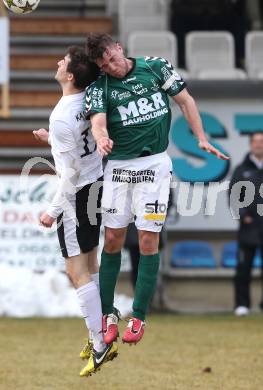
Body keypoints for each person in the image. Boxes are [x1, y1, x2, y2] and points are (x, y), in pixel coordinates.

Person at [84, 33, 229, 345]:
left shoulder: (155, 67)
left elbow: (185, 100)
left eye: (112, 58)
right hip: (119, 168)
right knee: (112, 238)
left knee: (148, 240)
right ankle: (108, 314)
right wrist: (101, 137)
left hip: (154, 167)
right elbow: (97, 121)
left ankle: (138, 316)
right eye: (104, 65)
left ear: (119, 48)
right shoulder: (100, 88)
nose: (111, 67)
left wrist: (201, 137)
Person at [33, 46, 117, 377]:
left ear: (69, 76)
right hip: (97, 184)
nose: (57, 62)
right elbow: (80, 140)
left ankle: (99, 342)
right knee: (91, 263)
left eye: (62, 62)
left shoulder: (61, 115)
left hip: (77, 194)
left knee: (75, 270)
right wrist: (51, 141)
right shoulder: (90, 99)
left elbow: (68, 175)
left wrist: (52, 211)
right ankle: (100, 329)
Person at [229, 132, 263, 316]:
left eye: (262, 142)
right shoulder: (241, 169)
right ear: (250, 145)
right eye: (256, 142)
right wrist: (243, 215)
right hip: (248, 227)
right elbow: (234, 196)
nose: (259, 145)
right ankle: (242, 305)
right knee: (243, 268)